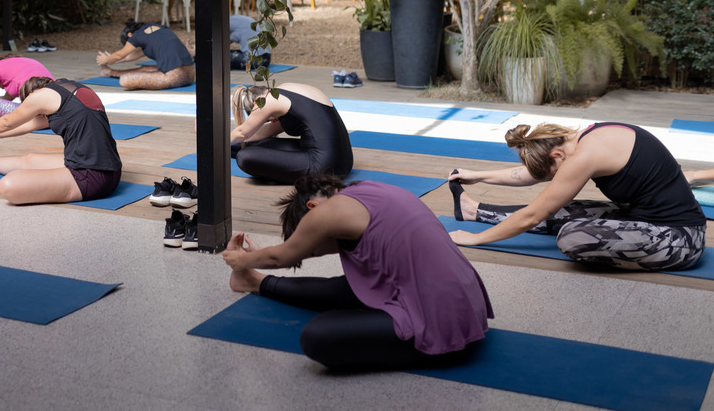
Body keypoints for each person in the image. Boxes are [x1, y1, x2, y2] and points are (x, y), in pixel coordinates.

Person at [222, 174, 492, 371]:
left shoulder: (327, 211)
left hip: (441, 327)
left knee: (317, 336)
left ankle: (253, 278)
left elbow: (283, 256)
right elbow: (297, 252)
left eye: (310, 238)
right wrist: (261, 259)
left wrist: (241, 259)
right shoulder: (371, 190)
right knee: (349, 287)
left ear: (313, 207)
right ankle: (256, 282)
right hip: (467, 309)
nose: (313, 248)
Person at [448, 122, 706, 271]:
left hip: (682, 240)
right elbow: (532, 175)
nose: (556, 178)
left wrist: (476, 239)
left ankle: (635, 255)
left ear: (556, 156)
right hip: (640, 217)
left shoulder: (585, 156)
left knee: (572, 235)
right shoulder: (587, 137)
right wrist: (478, 175)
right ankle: (474, 210)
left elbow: (533, 215)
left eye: (554, 173)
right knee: (562, 210)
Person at [0, 76, 122, 204]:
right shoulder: (66, 89)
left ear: (30, 96)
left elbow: (8, 121)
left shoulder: (40, 97)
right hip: (110, 170)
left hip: (91, 179)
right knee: (30, 159)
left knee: (7, 186)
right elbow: (30, 125)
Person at [229, 83, 353, 183]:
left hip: (325, 167)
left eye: (268, 118)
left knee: (244, 157)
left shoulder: (266, 102)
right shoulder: (284, 90)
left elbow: (242, 133)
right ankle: (224, 151)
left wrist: (218, 143)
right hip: (344, 161)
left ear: (256, 104)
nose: (272, 120)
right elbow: (264, 133)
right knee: (264, 143)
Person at [95, 19, 195, 90]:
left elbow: (120, 54)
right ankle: (109, 72)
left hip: (174, 77)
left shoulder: (136, 36)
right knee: (143, 68)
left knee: (125, 80)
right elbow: (127, 57)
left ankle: (109, 72)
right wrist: (110, 58)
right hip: (190, 74)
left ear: (130, 35)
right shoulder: (159, 29)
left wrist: (104, 60)